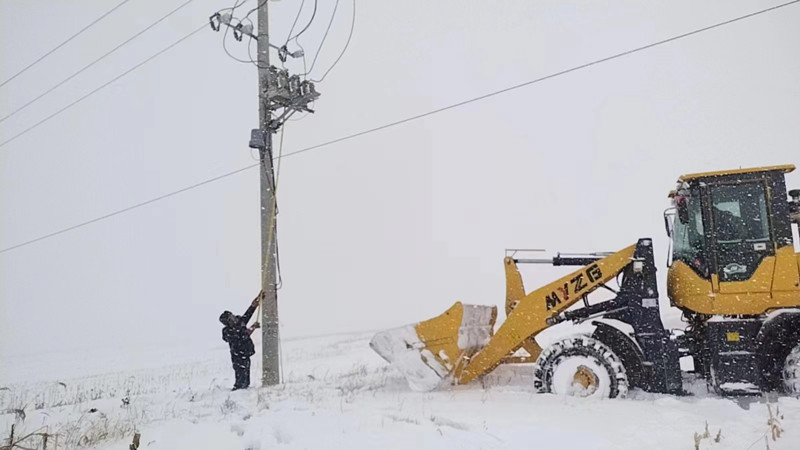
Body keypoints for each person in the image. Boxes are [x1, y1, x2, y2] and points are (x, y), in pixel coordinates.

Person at [220, 291, 262, 390]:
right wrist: (252, 327)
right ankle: (237, 390)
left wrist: (253, 305)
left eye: (232, 315)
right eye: (230, 318)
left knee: (246, 379)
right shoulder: (227, 331)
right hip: (238, 356)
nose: (233, 318)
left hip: (245, 353)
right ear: (227, 322)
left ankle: (243, 389)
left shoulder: (239, 322)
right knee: (240, 377)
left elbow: (247, 315)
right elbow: (242, 335)